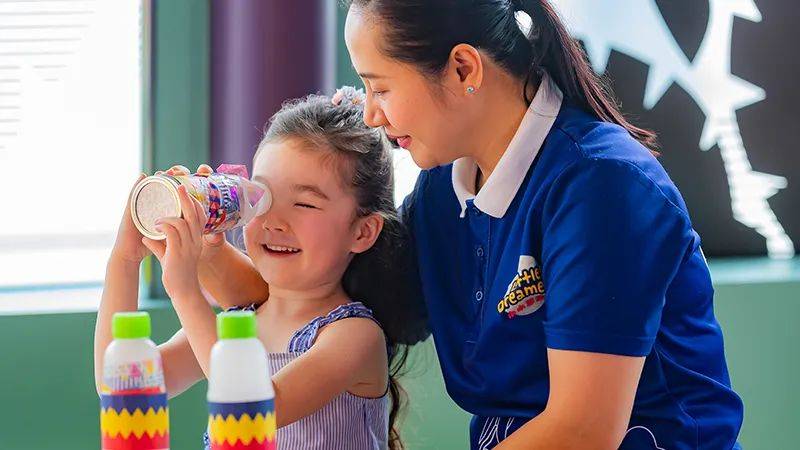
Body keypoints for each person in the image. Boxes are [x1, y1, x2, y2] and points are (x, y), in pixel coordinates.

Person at [198, 1, 745, 448]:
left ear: (464, 68)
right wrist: (196, 249)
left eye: (381, 87)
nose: (370, 115)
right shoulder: (443, 191)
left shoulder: (602, 186)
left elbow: (583, 430)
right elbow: (309, 290)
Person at [94, 88, 427, 450]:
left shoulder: (355, 337)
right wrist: (125, 260)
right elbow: (122, 384)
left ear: (362, 231)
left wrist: (185, 291)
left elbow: (254, 408)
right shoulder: (237, 323)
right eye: (262, 197)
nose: (273, 221)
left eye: (304, 203)